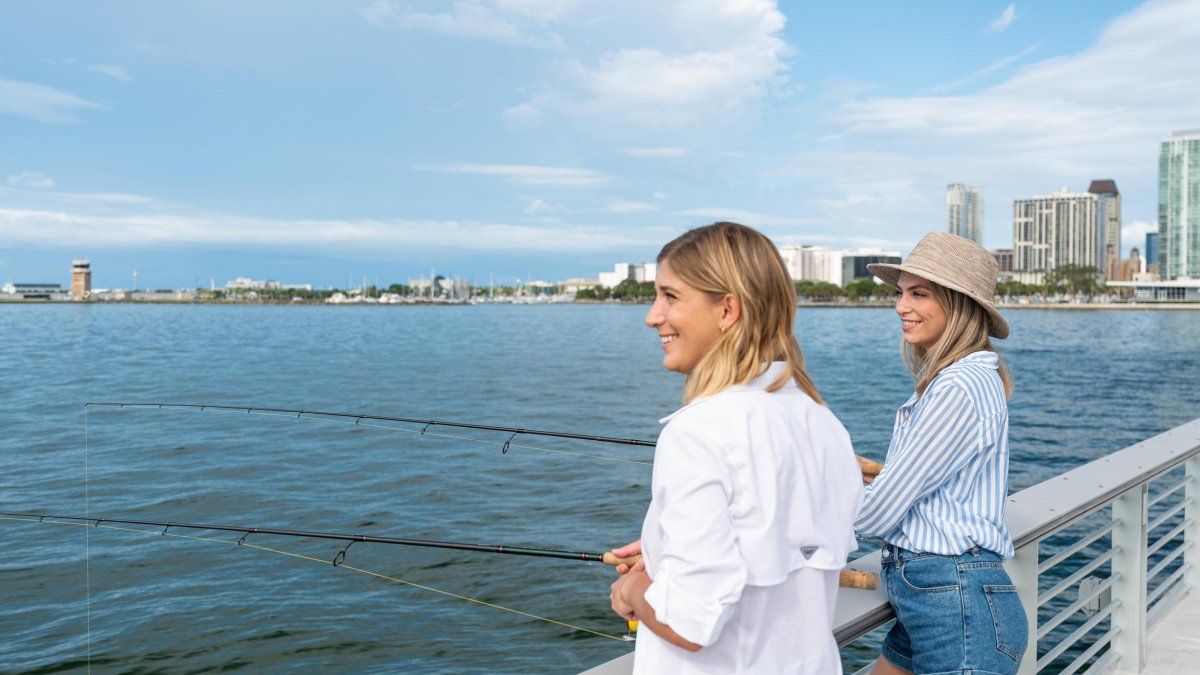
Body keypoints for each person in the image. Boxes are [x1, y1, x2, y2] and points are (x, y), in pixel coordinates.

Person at [608, 222, 862, 673]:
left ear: (727, 309)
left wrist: (633, 591)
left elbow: (688, 624)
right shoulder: (822, 421)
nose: (652, 316)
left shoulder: (698, 432)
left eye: (670, 296)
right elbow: (773, 539)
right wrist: (665, 547)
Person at [856, 231, 1027, 675]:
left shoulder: (958, 387)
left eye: (919, 294)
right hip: (936, 601)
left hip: (955, 606)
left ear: (958, 304)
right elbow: (938, 488)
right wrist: (868, 475)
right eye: (901, 293)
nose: (900, 307)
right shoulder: (965, 380)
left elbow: (877, 516)